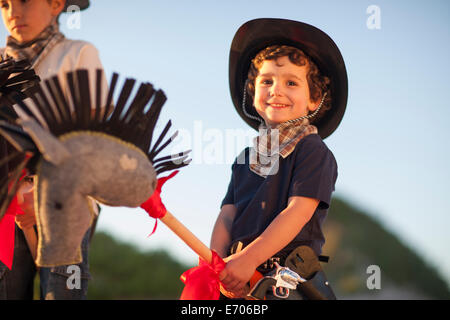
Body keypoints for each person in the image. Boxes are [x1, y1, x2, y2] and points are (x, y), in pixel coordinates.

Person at [210, 18, 348, 299]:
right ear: (253, 90)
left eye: (291, 82)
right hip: (238, 278)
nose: (276, 90)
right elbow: (227, 215)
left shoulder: (313, 151)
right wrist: (215, 265)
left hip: (285, 280)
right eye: (267, 81)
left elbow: (296, 213)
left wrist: (249, 260)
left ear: (314, 98)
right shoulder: (246, 159)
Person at [0, 0, 106, 300]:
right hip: (6, 209)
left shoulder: (78, 54)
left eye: (24, 1)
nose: (13, 12)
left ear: (57, 4)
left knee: (61, 292)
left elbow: (93, 135)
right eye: (4, 4)